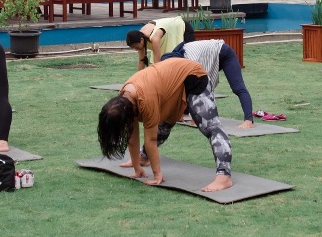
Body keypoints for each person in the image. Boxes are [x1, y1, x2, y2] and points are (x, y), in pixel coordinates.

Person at [97, 56, 233, 192]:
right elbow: (132, 137)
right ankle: (143, 157)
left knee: (210, 127)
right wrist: (136, 167)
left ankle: (224, 176)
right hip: (169, 85)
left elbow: (151, 140)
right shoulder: (124, 100)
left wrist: (157, 175)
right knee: (163, 128)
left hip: (193, 76)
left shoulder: (145, 99)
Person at [163, 38, 255, 129]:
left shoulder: (190, 60)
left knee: (238, 88)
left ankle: (249, 120)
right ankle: (184, 113)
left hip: (224, 53)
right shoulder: (178, 59)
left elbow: (199, 88)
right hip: (210, 56)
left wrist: (196, 118)